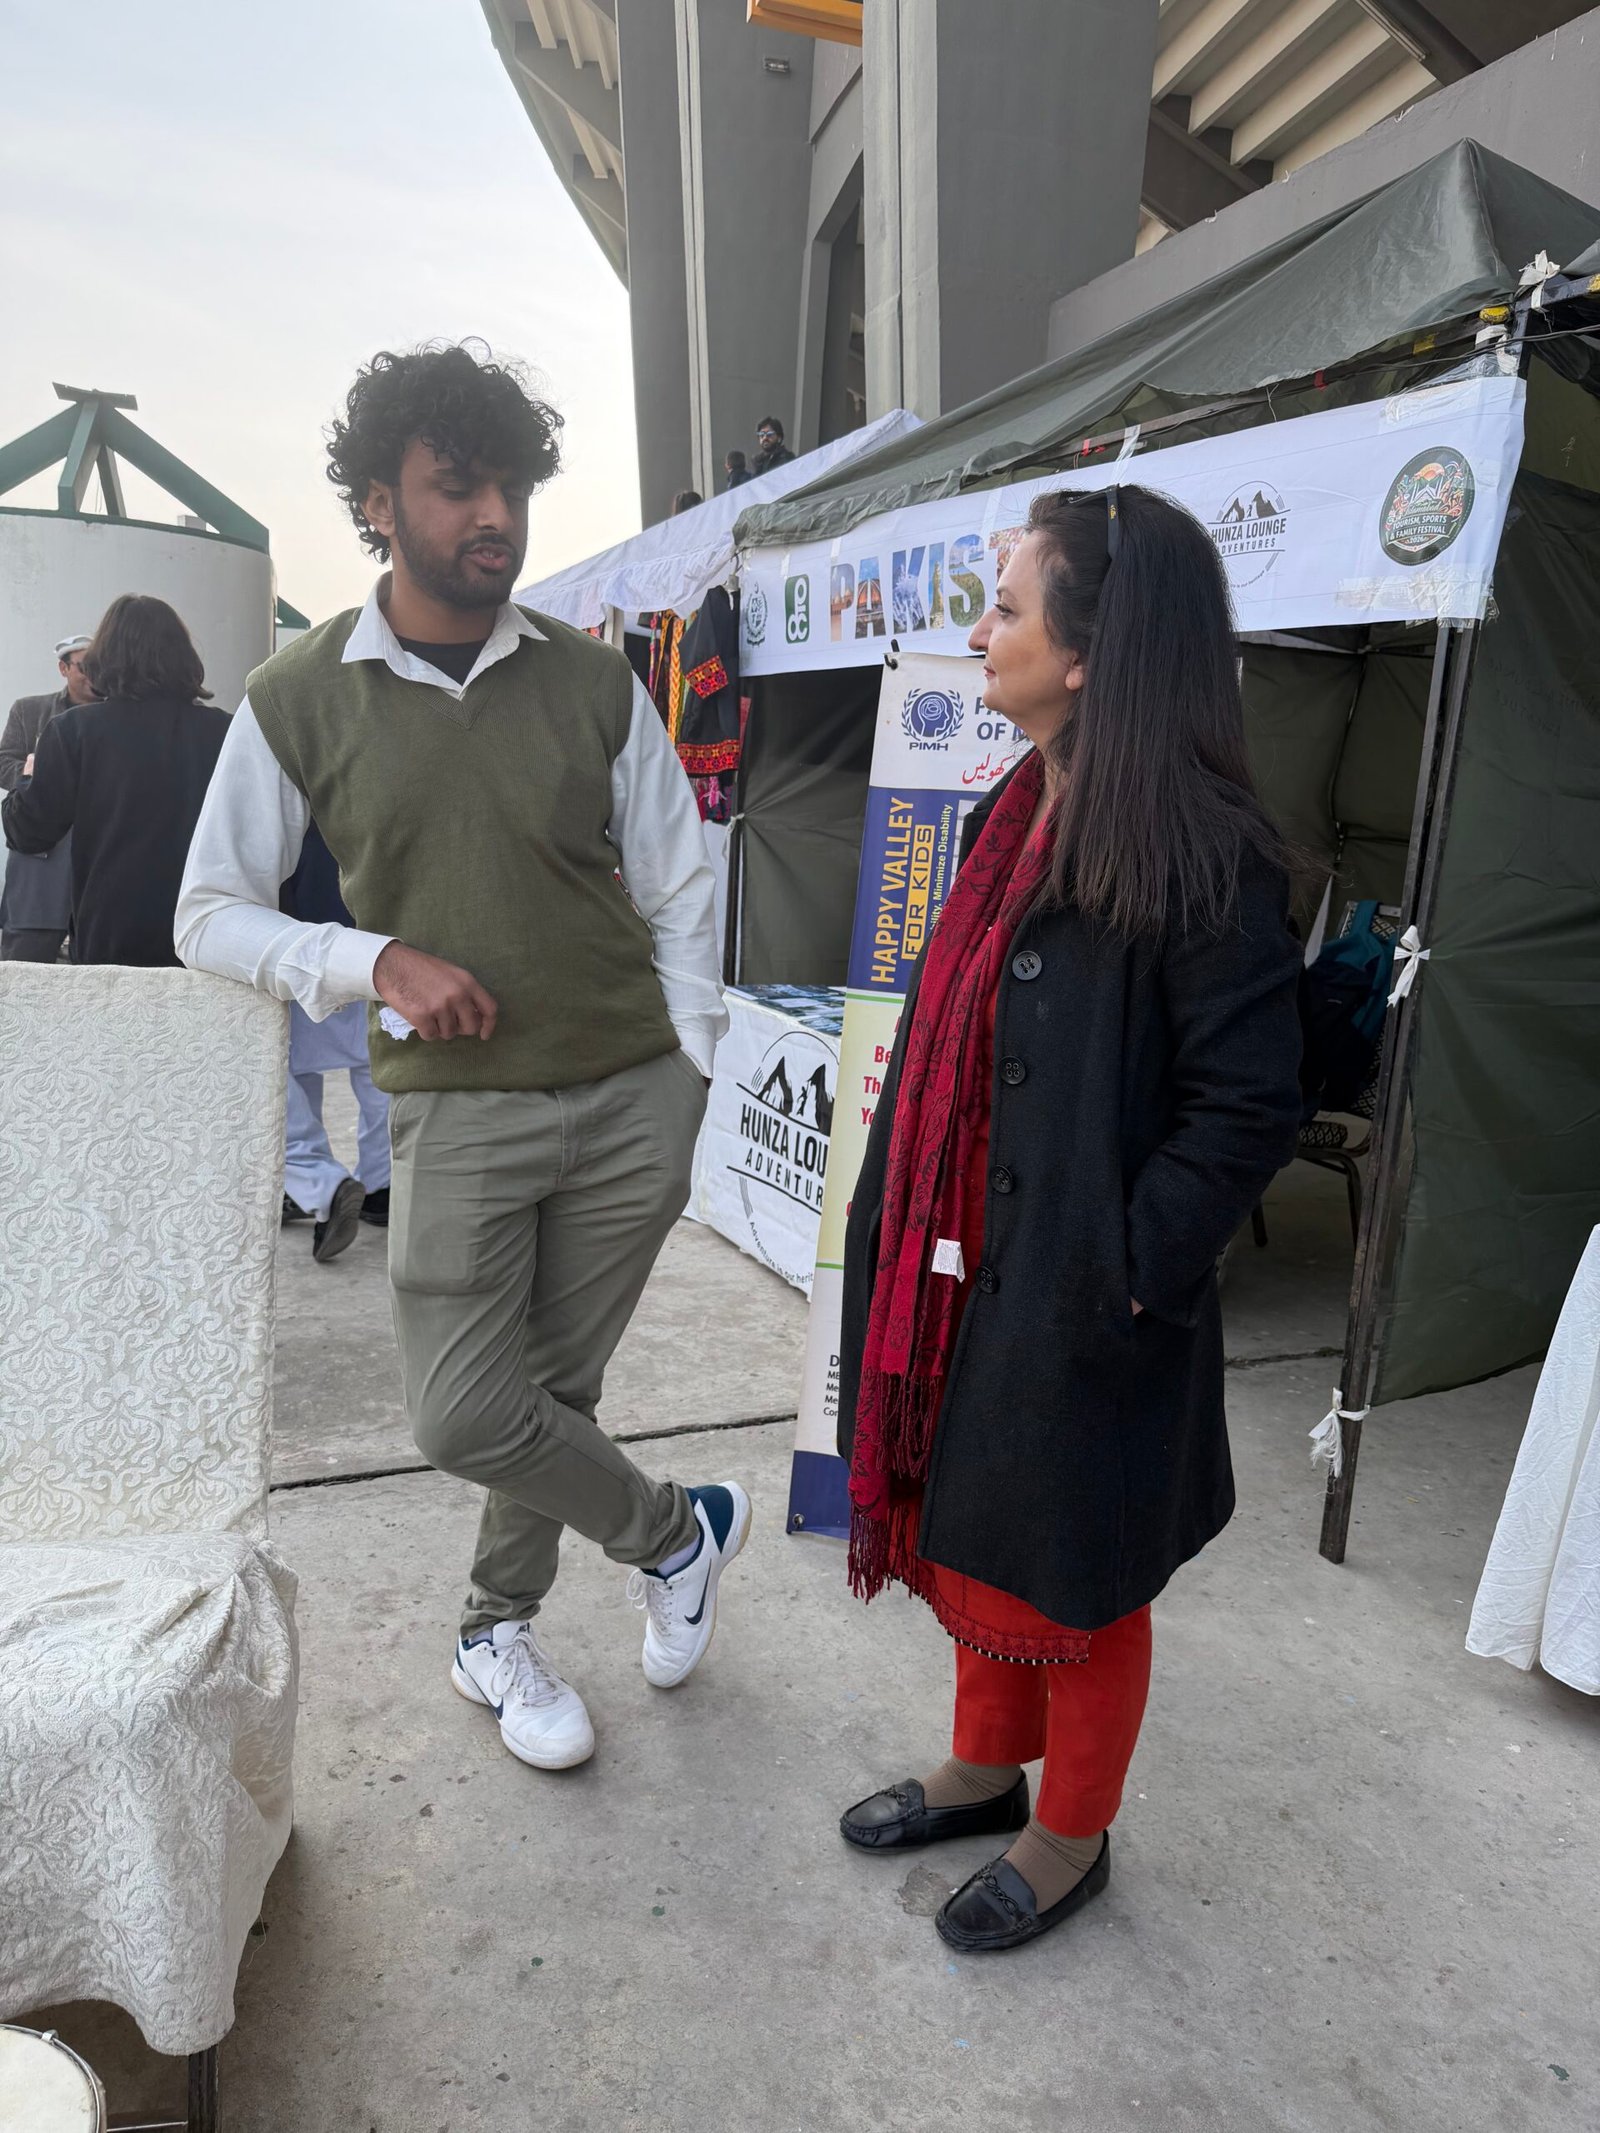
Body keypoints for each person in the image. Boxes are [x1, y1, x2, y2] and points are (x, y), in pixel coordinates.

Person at [176, 341, 749, 1775]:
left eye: (510, 487)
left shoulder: (593, 678)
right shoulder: (297, 694)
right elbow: (206, 913)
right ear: (379, 503)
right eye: (456, 487)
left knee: (558, 1391)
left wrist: (691, 1060)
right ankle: (676, 1534)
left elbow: (679, 878)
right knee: (463, 1412)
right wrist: (372, 962)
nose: (494, 515)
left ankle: (495, 1629)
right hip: (456, 1109)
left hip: (633, 1093)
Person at [836, 485, 1303, 1953]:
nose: (983, 634)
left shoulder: (1203, 848)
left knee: (1080, 1579)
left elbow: (1246, 1108)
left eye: (1009, 609)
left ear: (1091, 653)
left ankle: (1070, 1832)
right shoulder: (1014, 807)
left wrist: (1125, 1273)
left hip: (1082, 1287)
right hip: (966, 1267)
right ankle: (986, 1768)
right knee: (981, 1536)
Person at [3, 598, 230, 965]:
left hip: (111, 933)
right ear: (184, 655)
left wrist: (29, 775)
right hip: (206, 929)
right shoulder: (226, 731)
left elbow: (28, 832)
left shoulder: (74, 731)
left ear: (104, 658)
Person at [279, 821, 391, 1264]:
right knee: (378, 1060)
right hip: (374, 920)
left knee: (285, 1067)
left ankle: (318, 1185)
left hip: (294, 927)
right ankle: (382, 1184)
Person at [0, 632, 95, 961]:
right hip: (40, 857)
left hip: (95, 855)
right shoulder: (30, 710)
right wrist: (40, 777)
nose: (94, 675)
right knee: (25, 956)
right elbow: (4, 761)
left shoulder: (118, 716)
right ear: (63, 669)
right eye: (85, 667)